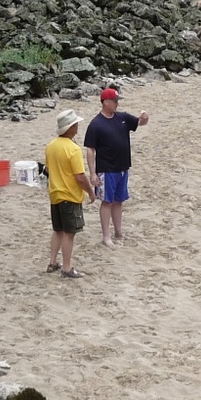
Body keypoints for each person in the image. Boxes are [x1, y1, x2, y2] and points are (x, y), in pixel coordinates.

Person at [83, 87, 149, 247]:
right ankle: (106, 236)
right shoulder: (96, 124)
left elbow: (140, 123)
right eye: (114, 101)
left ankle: (118, 231)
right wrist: (92, 173)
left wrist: (144, 118)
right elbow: (90, 150)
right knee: (107, 201)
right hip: (106, 169)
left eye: (117, 101)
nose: (117, 104)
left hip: (122, 167)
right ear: (105, 102)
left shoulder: (123, 117)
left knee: (119, 200)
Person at [45, 108, 94, 278]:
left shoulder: (51, 146)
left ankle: (52, 262)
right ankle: (67, 267)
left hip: (55, 193)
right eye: (75, 125)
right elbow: (80, 177)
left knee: (57, 230)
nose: (77, 127)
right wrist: (90, 192)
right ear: (70, 128)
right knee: (69, 233)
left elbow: (49, 169)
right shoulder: (73, 149)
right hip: (69, 195)